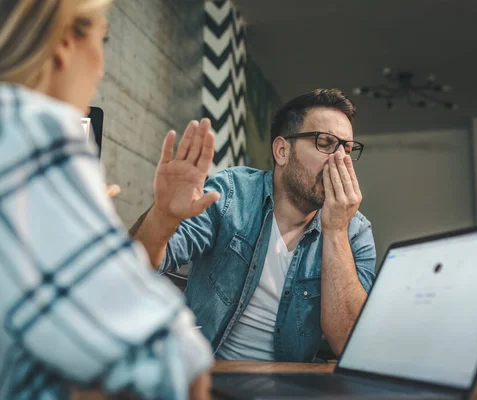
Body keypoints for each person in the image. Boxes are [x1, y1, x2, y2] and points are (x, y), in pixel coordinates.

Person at [0, 0, 215, 399]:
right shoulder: (25, 129)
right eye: (103, 39)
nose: (100, 70)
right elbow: (169, 367)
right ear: (65, 39)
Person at [131, 89, 377, 362]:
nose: (340, 160)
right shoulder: (231, 193)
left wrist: (336, 229)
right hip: (206, 374)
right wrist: (163, 214)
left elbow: (348, 342)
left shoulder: (355, 232)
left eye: (348, 149)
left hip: (291, 388)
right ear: (282, 150)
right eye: (326, 142)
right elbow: (136, 265)